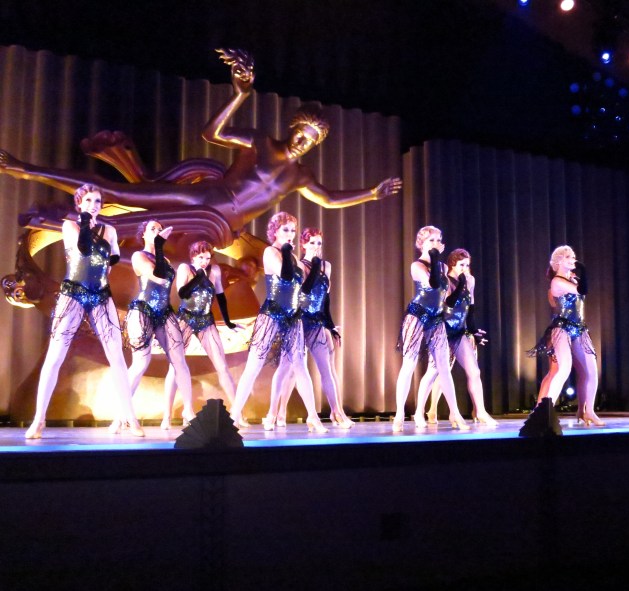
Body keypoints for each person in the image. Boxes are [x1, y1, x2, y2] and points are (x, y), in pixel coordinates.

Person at [0, 49, 402, 251]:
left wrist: (371, 193)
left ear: (315, 144)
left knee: (152, 239)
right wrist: (240, 95)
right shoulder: (262, 141)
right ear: (292, 128)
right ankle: (25, 168)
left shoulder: (302, 176)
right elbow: (212, 134)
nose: (302, 141)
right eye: (301, 132)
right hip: (205, 198)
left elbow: (329, 200)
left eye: (310, 139)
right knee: (122, 194)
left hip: (224, 226)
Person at [25, 184, 144, 438]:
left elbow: (113, 258)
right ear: (79, 203)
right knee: (55, 355)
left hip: (100, 294)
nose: (93, 205)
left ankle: (129, 418)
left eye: (97, 201)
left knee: (117, 356)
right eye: (88, 200)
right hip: (73, 293)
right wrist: (86, 222)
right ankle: (38, 420)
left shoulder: (109, 230)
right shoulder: (71, 226)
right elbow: (83, 249)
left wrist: (105, 270)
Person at [230, 212, 327, 433]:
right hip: (272, 314)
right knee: (254, 365)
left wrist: (315, 266)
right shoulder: (270, 252)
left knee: (300, 366)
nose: (290, 234)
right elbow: (285, 276)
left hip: (292, 316)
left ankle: (313, 417)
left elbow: (305, 288)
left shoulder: (294, 258)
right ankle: (234, 415)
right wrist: (285, 251)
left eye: (293, 230)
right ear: (275, 231)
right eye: (286, 230)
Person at [273, 227, 354, 429]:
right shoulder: (299, 265)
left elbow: (325, 299)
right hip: (299, 321)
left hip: (316, 322)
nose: (316, 246)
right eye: (312, 243)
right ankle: (278, 412)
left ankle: (337, 413)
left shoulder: (326, 266)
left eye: (319, 243)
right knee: (289, 369)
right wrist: (315, 266)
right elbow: (304, 292)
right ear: (303, 244)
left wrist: (330, 325)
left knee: (326, 369)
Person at [392, 226, 469, 432]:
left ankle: (455, 413)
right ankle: (399, 414)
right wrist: (434, 257)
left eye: (438, 240)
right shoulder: (417, 266)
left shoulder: (442, 267)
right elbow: (433, 284)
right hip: (417, 315)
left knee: (444, 366)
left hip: (436, 318)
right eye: (431, 240)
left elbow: (448, 300)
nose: (435, 244)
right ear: (422, 244)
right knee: (409, 364)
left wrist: (461, 284)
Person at [123, 220, 195, 430]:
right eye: (152, 229)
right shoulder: (138, 256)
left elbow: (168, 280)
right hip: (143, 310)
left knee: (179, 360)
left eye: (160, 229)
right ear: (143, 235)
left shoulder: (166, 259)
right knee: (140, 363)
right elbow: (158, 277)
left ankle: (189, 411)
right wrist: (159, 245)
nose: (157, 232)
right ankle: (122, 412)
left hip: (164, 312)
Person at [414, 248, 497, 427]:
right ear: (452, 264)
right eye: (461, 265)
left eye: (467, 265)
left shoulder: (470, 280)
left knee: (474, 371)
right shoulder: (444, 278)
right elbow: (449, 303)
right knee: (433, 372)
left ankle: (481, 411)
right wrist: (460, 284)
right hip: (441, 330)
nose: (465, 268)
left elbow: (470, 307)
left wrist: (473, 331)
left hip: (459, 331)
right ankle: (419, 411)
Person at [162, 240, 243, 422]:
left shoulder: (215, 271)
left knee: (222, 366)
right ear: (193, 257)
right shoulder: (185, 268)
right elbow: (182, 294)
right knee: (175, 367)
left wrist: (228, 322)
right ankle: (167, 415)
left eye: (207, 258)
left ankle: (238, 413)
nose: (205, 261)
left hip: (206, 320)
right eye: (201, 257)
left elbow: (220, 297)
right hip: (186, 318)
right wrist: (198, 276)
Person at [529, 245, 605, 426]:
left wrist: (578, 274)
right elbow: (582, 290)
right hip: (562, 328)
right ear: (558, 262)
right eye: (568, 257)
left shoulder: (573, 279)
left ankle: (589, 411)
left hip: (579, 328)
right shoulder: (557, 281)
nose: (573, 259)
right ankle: (545, 412)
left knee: (591, 371)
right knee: (563, 368)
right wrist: (583, 269)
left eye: (573, 256)